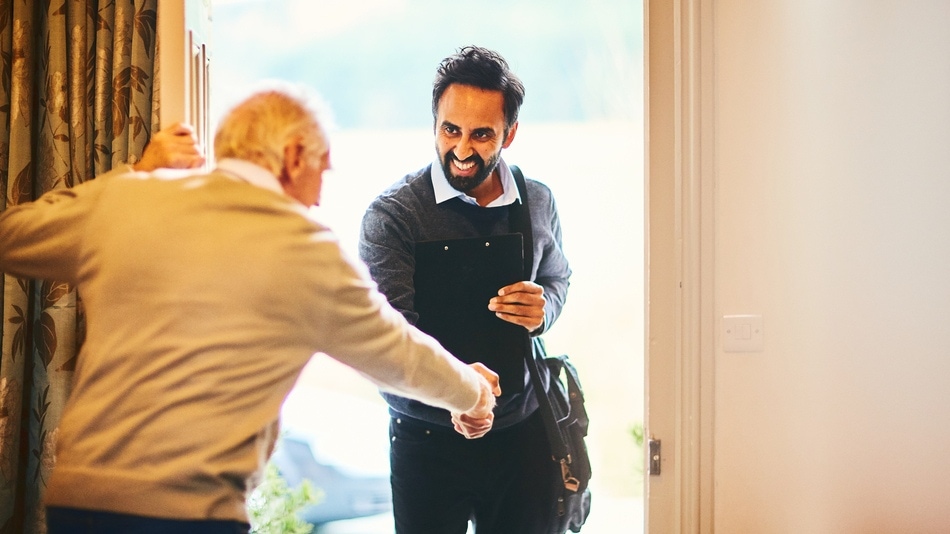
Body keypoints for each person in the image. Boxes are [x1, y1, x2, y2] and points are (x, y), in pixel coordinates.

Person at [0, 85, 501, 534]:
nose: (321, 197)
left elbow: (12, 235)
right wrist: (474, 392)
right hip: (190, 516)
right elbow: (400, 355)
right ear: (293, 155)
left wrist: (139, 175)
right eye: (321, 171)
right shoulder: (306, 249)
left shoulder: (128, 198)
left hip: (77, 506)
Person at [359, 45, 572, 533]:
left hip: (524, 435)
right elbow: (388, 340)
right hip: (426, 440)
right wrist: (461, 394)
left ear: (510, 134)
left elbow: (558, 278)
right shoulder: (393, 216)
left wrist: (545, 309)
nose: (461, 149)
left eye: (481, 134)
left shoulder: (537, 200)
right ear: (434, 123)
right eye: (450, 130)